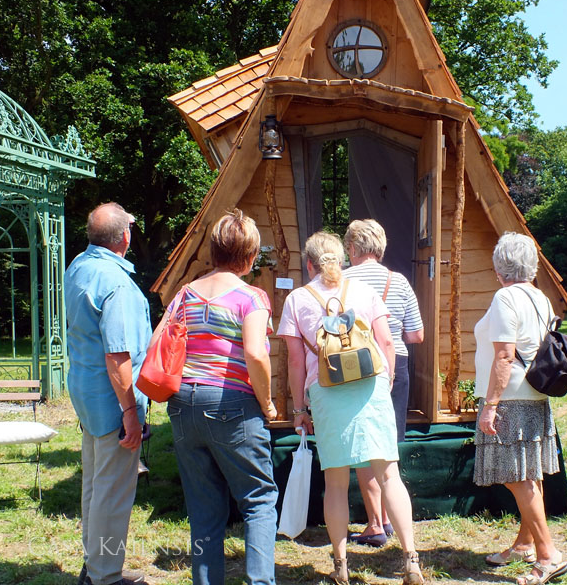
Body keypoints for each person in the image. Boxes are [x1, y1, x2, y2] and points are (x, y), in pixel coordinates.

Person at [278, 231, 424, 585]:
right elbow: (387, 340)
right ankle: (412, 561)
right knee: (390, 475)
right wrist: (386, 382)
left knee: (336, 482)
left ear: (309, 263)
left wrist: (299, 409)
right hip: (371, 386)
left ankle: (341, 565)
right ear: (341, 259)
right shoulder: (363, 291)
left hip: (326, 393)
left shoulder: (297, 299)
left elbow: (296, 363)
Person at [154, 209, 278, 584]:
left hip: (183, 406)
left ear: (214, 250)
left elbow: (156, 341)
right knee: (259, 501)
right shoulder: (251, 297)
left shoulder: (185, 294)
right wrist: (268, 403)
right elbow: (255, 353)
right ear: (251, 256)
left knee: (204, 510)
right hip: (232, 405)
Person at [475, 232, 567, 585]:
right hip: (535, 395)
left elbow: (504, 355)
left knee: (517, 477)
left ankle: (548, 555)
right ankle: (524, 544)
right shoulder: (541, 298)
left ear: (500, 267)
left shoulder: (504, 298)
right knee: (530, 475)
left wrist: (490, 406)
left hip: (510, 398)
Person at [65, 202, 151, 585]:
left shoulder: (78, 267)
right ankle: (105, 576)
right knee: (113, 493)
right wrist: (130, 413)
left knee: (96, 486)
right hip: (112, 401)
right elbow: (118, 356)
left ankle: (96, 565)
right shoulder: (116, 282)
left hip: (86, 394)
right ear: (124, 238)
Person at [343, 219, 424, 547]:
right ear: (380, 247)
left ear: (351, 248)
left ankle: (376, 522)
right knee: (387, 444)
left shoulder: (342, 281)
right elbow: (416, 334)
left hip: (355, 365)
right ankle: (391, 518)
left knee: (364, 446)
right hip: (396, 365)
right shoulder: (399, 281)